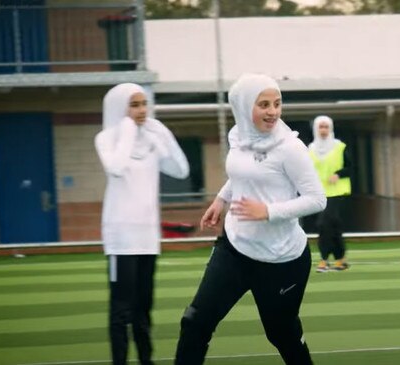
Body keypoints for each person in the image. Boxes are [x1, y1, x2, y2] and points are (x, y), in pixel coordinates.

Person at [174, 74, 326, 365]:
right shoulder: (239, 136)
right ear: (244, 108)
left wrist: (268, 212)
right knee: (195, 322)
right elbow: (241, 174)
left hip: (282, 259)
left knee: (283, 334)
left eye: (277, 104)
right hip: (234, 248)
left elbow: (318, 199)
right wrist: (222, 198)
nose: (273, 111)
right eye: (264, 104)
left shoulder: (290, 148)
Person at [95, 83, 190, 365]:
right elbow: (115, 167)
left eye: (143, 104)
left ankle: (146, 360)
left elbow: (181, 169)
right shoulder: (106, 138)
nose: (141, 111)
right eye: (134, 105)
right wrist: (127, 130)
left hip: (148, 236)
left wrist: (162, 135)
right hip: (120, 237)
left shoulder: (150, 137)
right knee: (120, 310)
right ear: (119, 108)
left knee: (143, 308)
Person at [308, 115, 352, 272]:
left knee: (324, 223)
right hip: (319, 194)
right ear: (315, 129)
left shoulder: (340, 147)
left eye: (326, 127)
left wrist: (338, 174)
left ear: (331, 128)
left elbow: (350, 168)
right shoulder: (311, 149)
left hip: (338, 191)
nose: (324, 130)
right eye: (321, 127)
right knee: (333, 226)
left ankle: (324, 259)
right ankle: (341, 259)